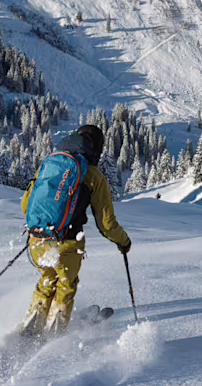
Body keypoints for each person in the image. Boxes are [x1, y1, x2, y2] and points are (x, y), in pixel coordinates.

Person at [18, 125, 131, 336]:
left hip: (37, 238)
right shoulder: (93, 175)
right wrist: (123, 242)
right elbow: (107, 224)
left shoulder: (50, 165)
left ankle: (30, 328)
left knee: (46, 281)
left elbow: (26, 203)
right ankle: (54, 333)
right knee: (65, 285)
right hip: (67, 243)